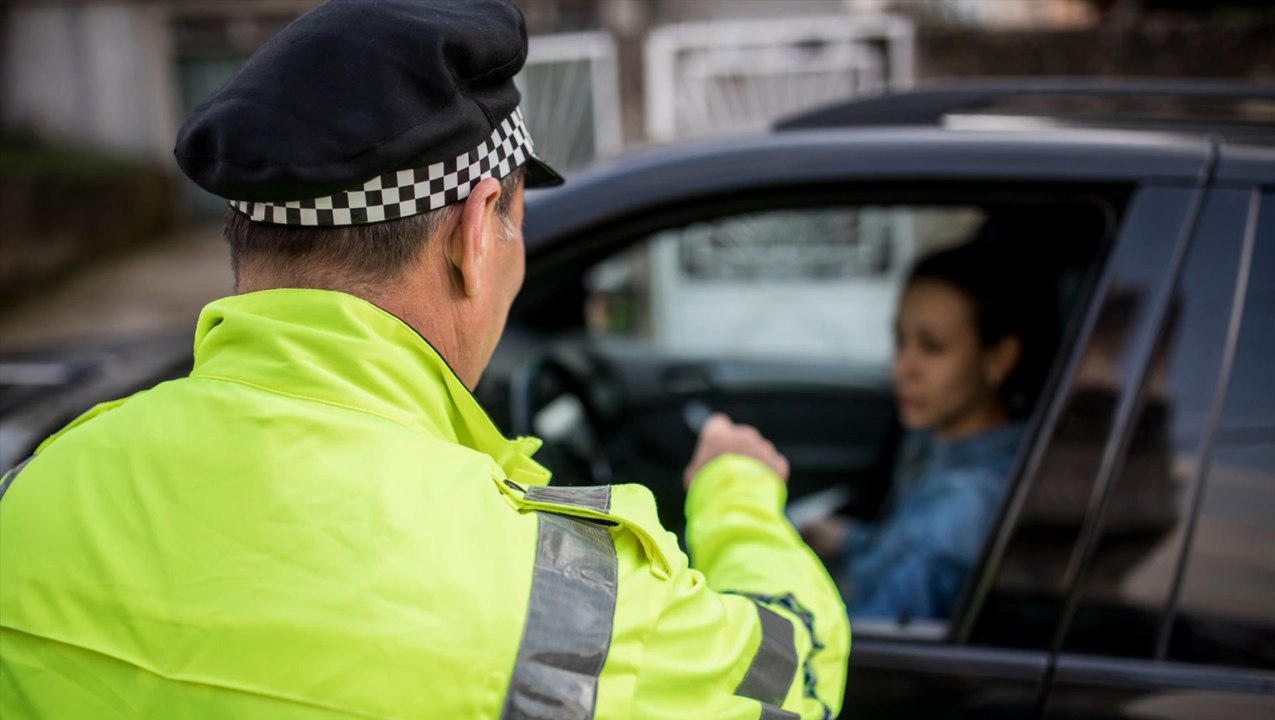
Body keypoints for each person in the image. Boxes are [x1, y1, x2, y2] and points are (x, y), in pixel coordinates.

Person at [0, 2, 849, 718]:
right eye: (518, 223)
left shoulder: (35, 491)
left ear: (244, 235)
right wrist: (737, 493)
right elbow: (796, 674)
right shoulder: (570, 601)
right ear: (476, 233)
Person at [805, 241, 1052, 622]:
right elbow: (908, 545)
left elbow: (866, 634)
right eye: (900, 341)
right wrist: (850, 539)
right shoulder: (956, 444)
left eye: (932, 347)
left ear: (1000, 358)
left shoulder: (968, 501)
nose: (902, 368)